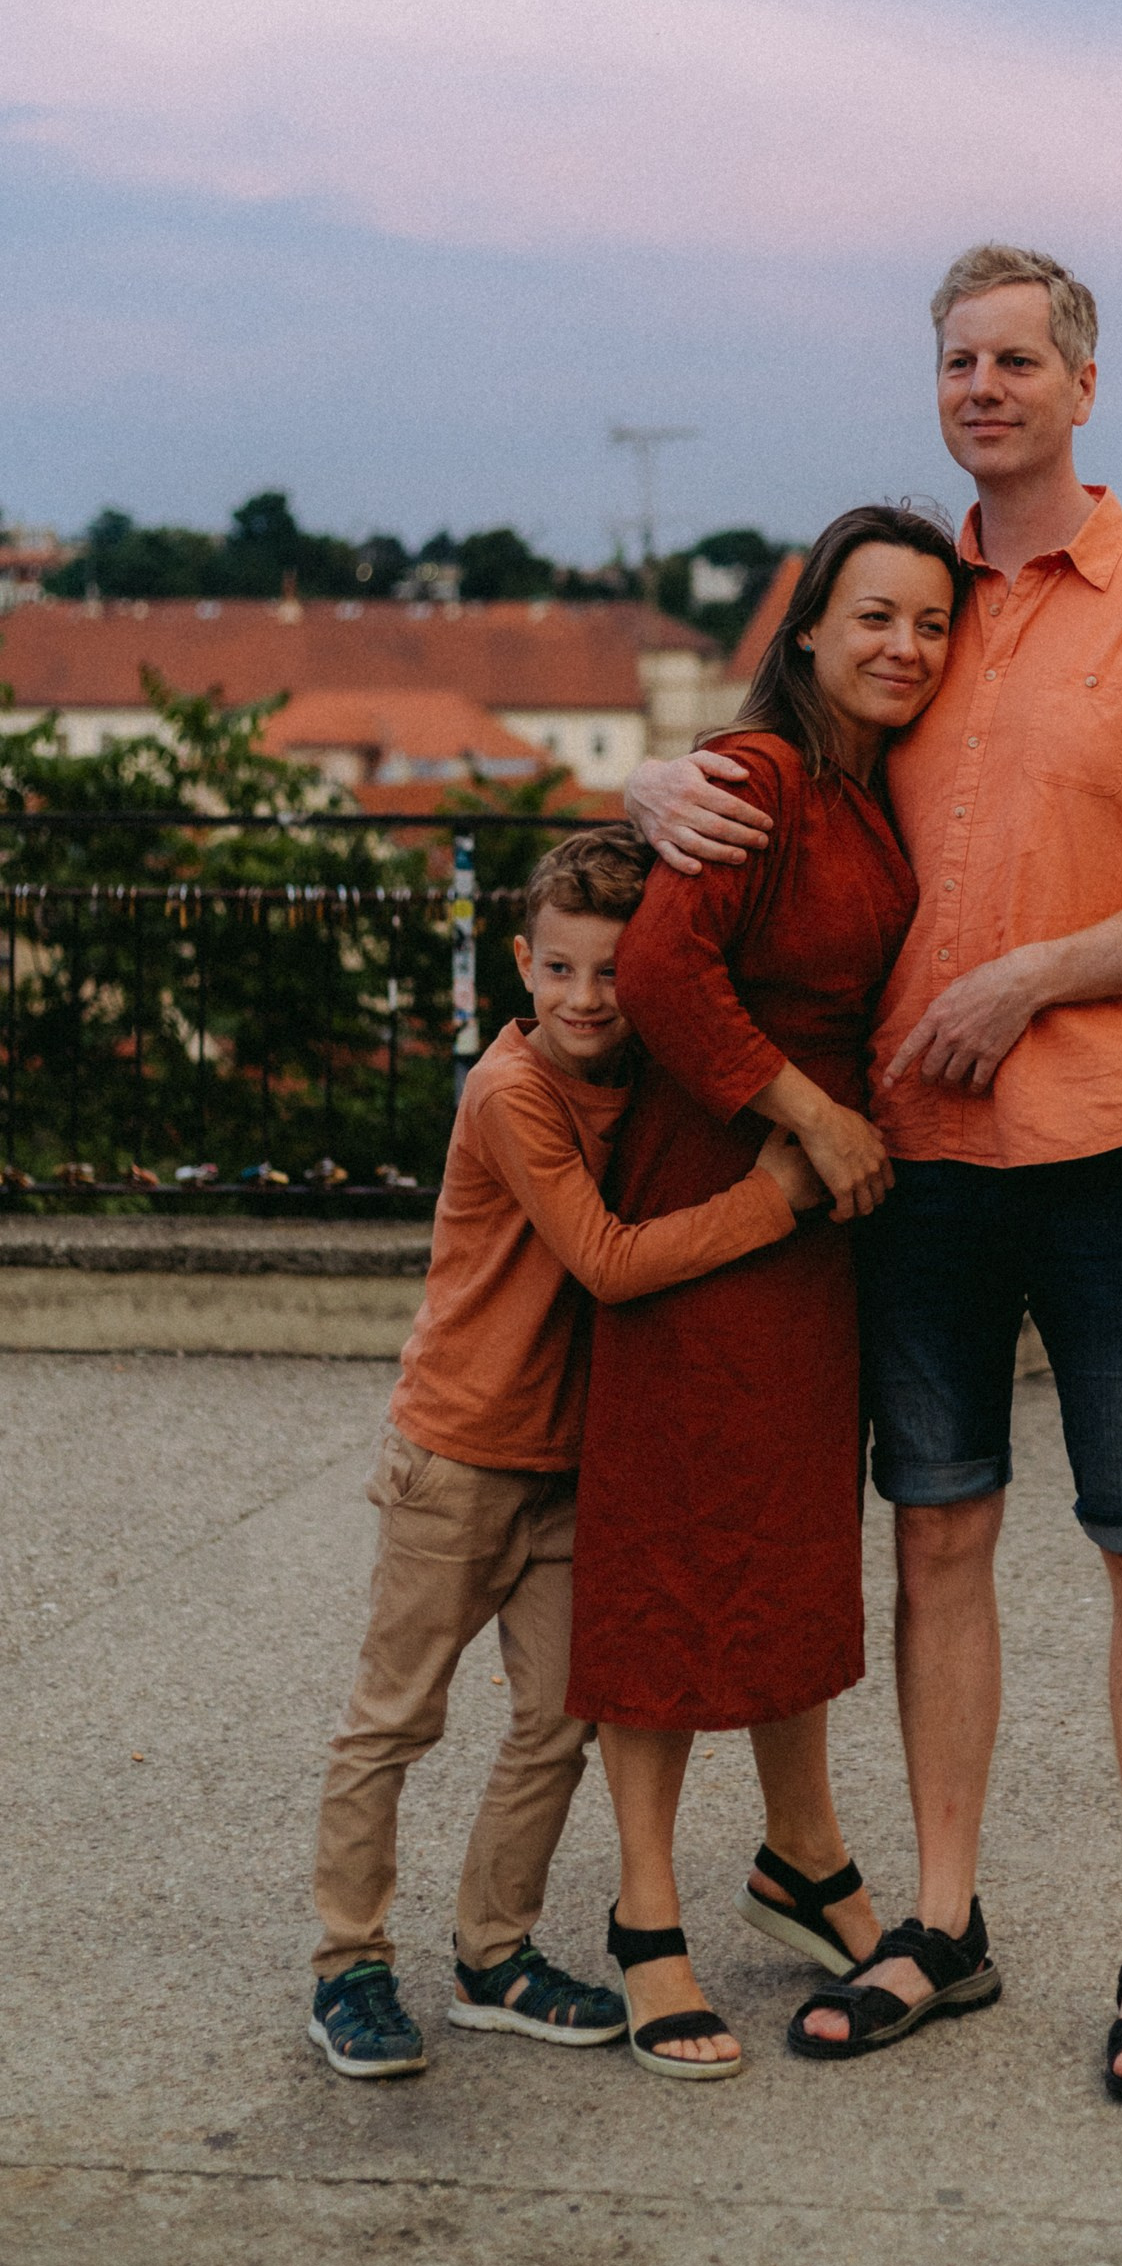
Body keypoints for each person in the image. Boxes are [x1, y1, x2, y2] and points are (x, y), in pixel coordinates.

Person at [627, 244, 1122, 2106]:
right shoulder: (910, 606)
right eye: (957, 360)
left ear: (1086, 383)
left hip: (1118, 1146)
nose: (984, 386)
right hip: (917, 1163)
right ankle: (941, 1916)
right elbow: (757, 767)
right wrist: (636, 799)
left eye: (1017, 358)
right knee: (935, 1535)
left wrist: (1030, 976)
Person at [308, 822, 820, 2079]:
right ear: (519, 965)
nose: (586, 1000)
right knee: (393, 1721)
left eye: (611, 975)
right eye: (559, 972)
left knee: (557, 1722)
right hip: (460, 1453)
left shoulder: (637, 1077)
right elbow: (604, 1258)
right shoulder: (512, 1092)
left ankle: (493, 1953)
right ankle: (348, 1968)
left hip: (567, 1463)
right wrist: (775, 1196)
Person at [565, 506, 959, 2080]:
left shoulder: (869, 795)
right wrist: (803, 1119)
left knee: (792, 1539)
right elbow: (662, 975)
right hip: (721, 1188)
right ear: (806, 629)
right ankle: (647, 1918)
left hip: (817, 1228)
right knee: (669, 1544)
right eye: (873, 617)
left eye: (930, 623)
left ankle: (802, 1854)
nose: (903, 648)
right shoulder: (761, 780)